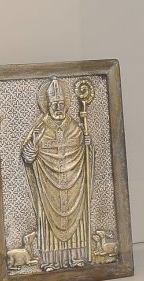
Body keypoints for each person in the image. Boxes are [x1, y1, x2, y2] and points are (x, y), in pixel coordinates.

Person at [21, 77, 93, 270]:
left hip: (73, 184)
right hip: (48, 188)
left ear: (66, 104)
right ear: (48, 105)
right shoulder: (41, 129)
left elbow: (86, 156)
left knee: (76, 220)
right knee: (48, 221)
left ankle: (76, 258)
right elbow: (27, 157)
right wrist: (34, 143)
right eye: (54, 104)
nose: (58, 107)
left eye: (61, 104)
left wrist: (87, 145)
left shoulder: (76, 128)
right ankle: (50, 261)